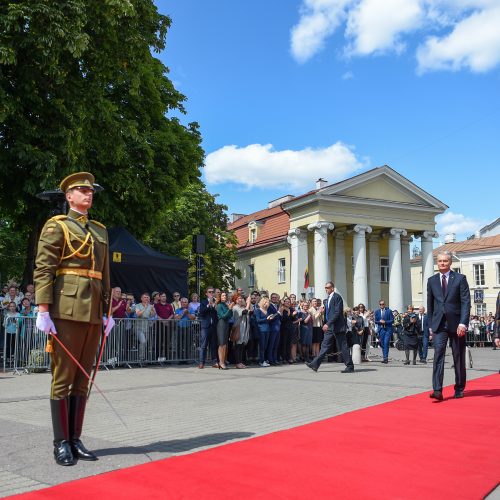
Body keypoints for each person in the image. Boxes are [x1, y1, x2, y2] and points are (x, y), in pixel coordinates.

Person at [34, 171, 110, 466]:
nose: (88, 194)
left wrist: (107, 313)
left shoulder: (100, 230)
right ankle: (60, 442)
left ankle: (76, 439)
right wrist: (43, 310)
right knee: (63, 378)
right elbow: (44, 269)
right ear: (69, 197)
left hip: (92, 311)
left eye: (90, 191)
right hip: (66, 308)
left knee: (83, 379)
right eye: (81, 191)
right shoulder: (58, 226)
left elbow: (105, 274)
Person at [427, 250, 471, 401]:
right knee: (438, 355)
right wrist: (431, 325)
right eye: (440, 261)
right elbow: (430, 304)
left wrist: (463, 323)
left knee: (458, 357)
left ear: (450, 262)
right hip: (439, 324)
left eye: (445, 261)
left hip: (457, 324)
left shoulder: (460, 279)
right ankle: (437, 390)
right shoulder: (432, 280)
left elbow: (466, 302)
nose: (442, 263)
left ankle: (459, 387)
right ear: (437, 262)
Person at [306, 281, 353, 373]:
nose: (326, 289)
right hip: (330, 327)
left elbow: (337, 313)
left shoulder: (337, 297)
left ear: (332, 288)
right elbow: (329, 313)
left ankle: (350, 366)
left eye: (327, 288)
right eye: (325, 288)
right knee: (324, 345)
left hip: (338, 326)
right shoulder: (327, 299)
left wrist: (328, 323)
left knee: (343, 346)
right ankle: (315, 364)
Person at [198, 287, 218, 369]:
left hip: (214, 326)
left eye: (212, 292)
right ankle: (201, 362)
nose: (211, 293)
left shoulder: (216, 301)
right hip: (205, 327)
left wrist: (215, 305)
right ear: (206, 293)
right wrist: (208, 305)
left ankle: (214, 362)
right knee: (203, 345)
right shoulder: (203, 302)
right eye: (209, 292)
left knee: (213, 345)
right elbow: (201, 313)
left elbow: (218, 313)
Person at [231, 295, 251, 368]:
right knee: (238, 346)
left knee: (242, 346)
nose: (241, 299)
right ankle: (237, 363)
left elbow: (251, 312)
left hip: (245, 327)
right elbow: (244, 312)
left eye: (241, 298)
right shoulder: (235, 307)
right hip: (238, 327)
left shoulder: (243, 306)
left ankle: (241, 362)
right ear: (235, 300)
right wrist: (248, 303)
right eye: (239, 298)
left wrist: (248, 303)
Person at [216, 291, 233, 369]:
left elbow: (230, 315)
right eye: (223, 295)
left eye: (225, 295)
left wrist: (230, 309)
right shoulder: (219, 305)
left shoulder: (226, 305)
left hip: (226, 324)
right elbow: (223, 316)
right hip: (221, 324)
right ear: (220, 297)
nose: (224, 297)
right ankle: (221, 362)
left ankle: (223, 361)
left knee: (225, 344)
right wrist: (229, 309)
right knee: (222, 344)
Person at [375, 299, 394, 364]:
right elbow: (375, 321)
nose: (382, 305)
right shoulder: (377, 312)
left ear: (385, 304)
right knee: (382, 344)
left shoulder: (389, 311)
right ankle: (384, 357)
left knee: (386, 343)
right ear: (379, 305)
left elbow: (392, 320)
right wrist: (379, 322)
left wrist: (385, 322)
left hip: (387, 329)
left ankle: (386, 358)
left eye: (383, 304)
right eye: (380, 304)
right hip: (381, 330)